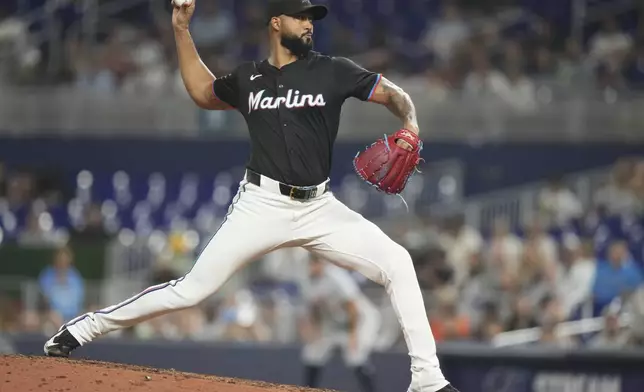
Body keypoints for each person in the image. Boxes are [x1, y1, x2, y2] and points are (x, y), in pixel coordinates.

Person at [44, 1, 457, 391]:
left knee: (397, 262)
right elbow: (203, 93)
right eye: (300, 16)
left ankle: (427, 379)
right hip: (262, 204)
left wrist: (411, 124)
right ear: (276, 22)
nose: (309, 24)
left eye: (312, 18)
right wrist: (182, 30)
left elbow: (394, 94)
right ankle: (84, 328)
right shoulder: (249, 78)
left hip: (319, 206)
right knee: (192, 290)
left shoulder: (333, 71)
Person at [300, 254, 381, 391]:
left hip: (361, 321)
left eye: (316, 263)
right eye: (311, 263)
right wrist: (315, 330)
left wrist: (354, 335)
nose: (313, 266)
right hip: (334, 323)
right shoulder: (308, 281)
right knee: (312, 352)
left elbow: (352, 306)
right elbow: (314, 308)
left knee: (355, 356)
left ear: (323, 263)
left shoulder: (336, 277)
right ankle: (308, 389)